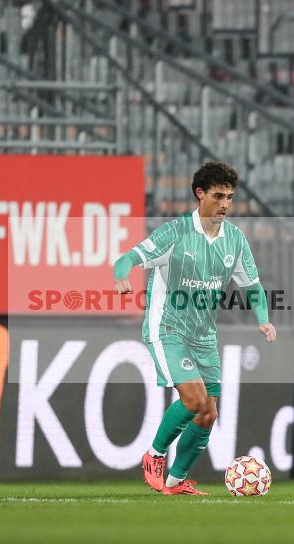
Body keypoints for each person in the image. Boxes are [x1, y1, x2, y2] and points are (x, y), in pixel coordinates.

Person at [113, 161, 276, 495]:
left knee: (208, 414)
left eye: (229, 197)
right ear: (200, 194)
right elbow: (127, 258)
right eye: (218, 196)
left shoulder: (235, 240)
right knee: (194, 399)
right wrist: (121, 276)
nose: (225, 204)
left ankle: (175, 481)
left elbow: (253, 287)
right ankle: (154, 455)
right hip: (168, 329)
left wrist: (263, 318)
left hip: (204, 337)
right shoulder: (175, 233)